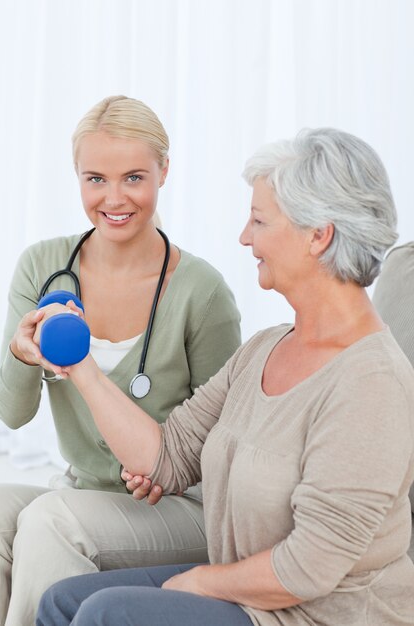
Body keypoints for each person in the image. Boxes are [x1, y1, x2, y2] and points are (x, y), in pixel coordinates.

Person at [37, 127, 414, 626]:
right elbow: (166, 458)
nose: (244, 237)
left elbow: (309, 567)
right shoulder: (265, 348)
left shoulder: (372, 383)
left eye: (259, 220)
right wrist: (79, 365)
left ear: (317, 235)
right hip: (245, 588)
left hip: (318, 615)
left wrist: (198, 582)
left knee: (110, 614)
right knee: (61, 601)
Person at [0, 95, 241, 626]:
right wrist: (20, 351)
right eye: (95, 179)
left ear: (164, 171)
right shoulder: (44, 266)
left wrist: (168, 469)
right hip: (85, 493)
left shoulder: (201, 291)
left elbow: (231, 440)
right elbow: (11, 415)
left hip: (180, 509)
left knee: (52, 522)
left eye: (134, 177)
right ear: (77, 177)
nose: (114, 197)